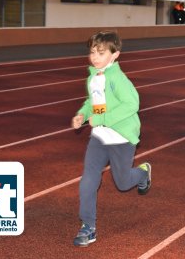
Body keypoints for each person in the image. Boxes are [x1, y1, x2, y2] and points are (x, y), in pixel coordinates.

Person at [71, 31, 152, 247]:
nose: (95, 57)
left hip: (121, 137)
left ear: (115, 55)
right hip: (98, 137)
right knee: (88, 179)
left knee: (123, 183)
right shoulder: (93, 76)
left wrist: (103, 118)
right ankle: (88, 226)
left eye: (101, 52)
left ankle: (143, 173)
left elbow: (132, 104)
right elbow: (92, 102)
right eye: (92, 52)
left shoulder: (118, 79)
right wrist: (83, 114)